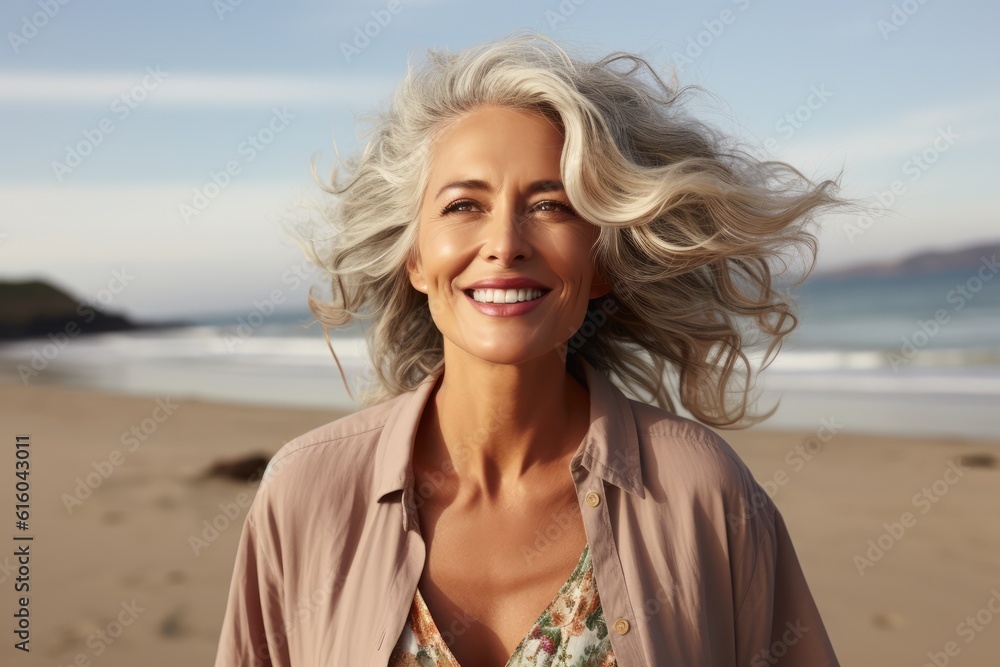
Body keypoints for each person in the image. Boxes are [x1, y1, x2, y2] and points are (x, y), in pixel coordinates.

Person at [214, 31, 848, 667]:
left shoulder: (702, 492)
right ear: (414, 256)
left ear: (601, 259)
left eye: (551, 205)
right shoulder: (306, 494)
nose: (505, 243)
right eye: (464, 204)